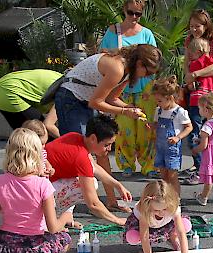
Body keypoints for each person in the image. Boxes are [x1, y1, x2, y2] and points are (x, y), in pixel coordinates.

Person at [54, 44, 162, 212]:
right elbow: (96, 102)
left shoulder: (127, 72)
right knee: (79, 153)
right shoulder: (117, 68)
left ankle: (111, 201)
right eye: (147, 72)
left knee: (102, 149)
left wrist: (131, 110)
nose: (146, 77)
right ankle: (77, 206)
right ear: (139, 63)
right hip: (71, 99)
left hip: (85, 100)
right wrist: (125, 112)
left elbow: (112, 98)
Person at [99, 0, 159, 178]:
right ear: (124, 10)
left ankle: (148, 165)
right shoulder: (113, 32)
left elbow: (154, 61)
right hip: (120, 86)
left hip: (144, 88)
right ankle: (126, 164)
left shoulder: (146, 34)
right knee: (124, 128)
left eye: (138, 14)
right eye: (131, 12)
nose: (134, 17)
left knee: (146, 127)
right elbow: (102, 55)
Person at [46, 115, 132, 227]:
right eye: (106, 145)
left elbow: (94, 167)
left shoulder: (74, 137)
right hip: (38, 193)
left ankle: (60, 215)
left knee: (86, 181)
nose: (109, 149)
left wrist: (118, 185)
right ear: (93, 138)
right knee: (89, 184)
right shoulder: (81, 157)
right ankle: (53, 217)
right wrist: (117, 220)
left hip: (31, 186)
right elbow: (93, 204)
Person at [183, 9, 213, 185]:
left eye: (197, 26)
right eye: (191, 26)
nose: (194, 30)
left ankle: (207, 168)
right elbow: (186, 63)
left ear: (205, 25)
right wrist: (189, 79)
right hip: (194, 93)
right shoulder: (189, 40)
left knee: (209, 131)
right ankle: (200, 166)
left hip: (210, 92)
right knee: (195, 130)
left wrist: (195, 74)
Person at [124, 180, 192, 253]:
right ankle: (164, 237)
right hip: (148, 227)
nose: (160, 213)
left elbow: (181, 232)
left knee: (186, 225)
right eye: (156, 210)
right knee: (132, 237)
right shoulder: (144, 209)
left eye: (164, 209)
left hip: (166, 225)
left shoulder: (173, 206)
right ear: (148, 205)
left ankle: (173, 236)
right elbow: (144, 235)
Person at [151, 76, 193, 195]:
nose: (158, 103)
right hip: (160, 147)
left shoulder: (180, 112)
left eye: (159, 100)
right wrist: (151, 126)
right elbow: (156, 124)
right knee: (163, 175)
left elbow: (189, 127)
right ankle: (165, 197)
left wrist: (178, 137)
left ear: (169, 98)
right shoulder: (158, 110)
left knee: (172, 176)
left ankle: (176, 199)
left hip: (172, 148)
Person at [0, 69, 62, 136]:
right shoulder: (67, 92)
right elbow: (49, 125)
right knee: (42, 133)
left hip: (0, 90)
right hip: (11, 91)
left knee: (23, 138)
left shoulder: (64, 80)